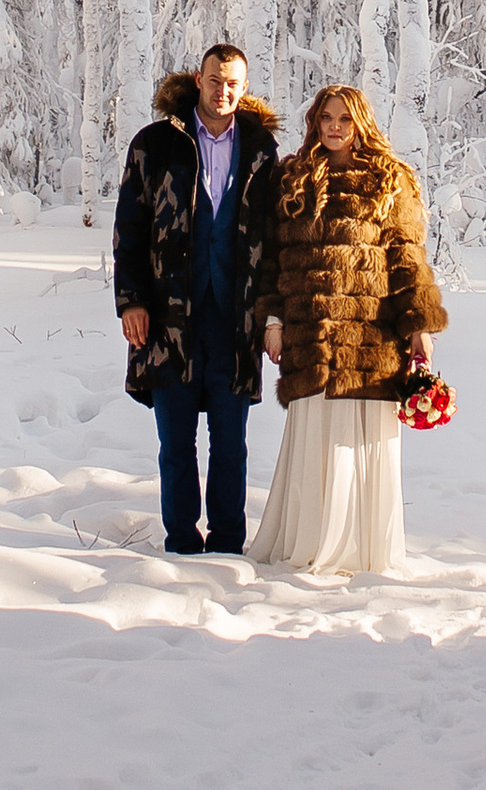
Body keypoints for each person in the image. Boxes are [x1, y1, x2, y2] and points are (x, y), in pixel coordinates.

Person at [249, 82, 446, 580]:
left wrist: (418, 324)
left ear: (360, 124)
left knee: (361, 444)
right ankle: (310, 542)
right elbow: (271, 260)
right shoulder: (292, 178)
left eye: (344, 119)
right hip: (311, 335)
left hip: (370, 338)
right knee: (315, 438)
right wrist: (272, 320)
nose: (334, 127)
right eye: (326, 118)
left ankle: (362, 550)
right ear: (314, 122)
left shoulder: (388, 179)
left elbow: (406, 257)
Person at [112, 42, 282, 556]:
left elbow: (273, 238)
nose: (222, 90)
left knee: (230, 443)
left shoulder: (259, 149)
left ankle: (229, 542)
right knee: (176, 443)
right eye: (215, 79)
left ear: (244, 88)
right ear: (198, 78)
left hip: (234, 318)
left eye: (233, 82)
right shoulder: (155, 143)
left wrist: (272, 313)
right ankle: (181, 542)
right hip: (168, 316)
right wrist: (132, 300)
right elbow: (129, 228)